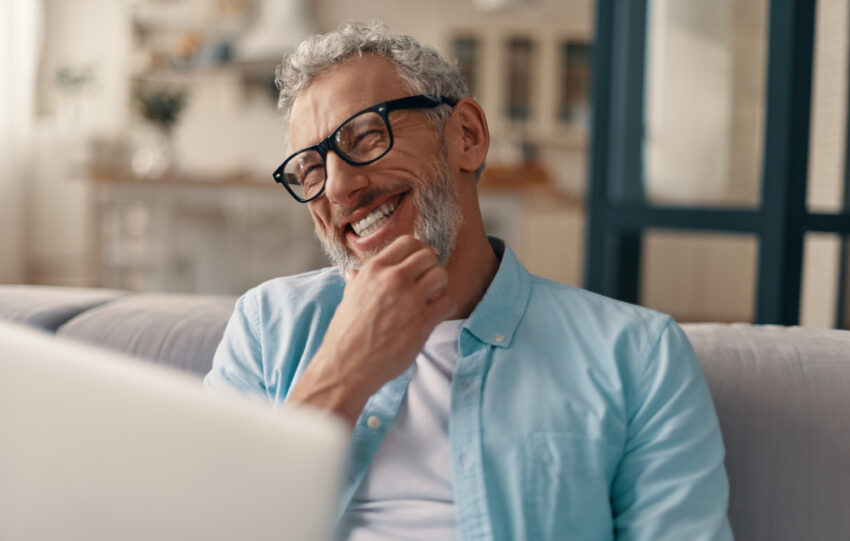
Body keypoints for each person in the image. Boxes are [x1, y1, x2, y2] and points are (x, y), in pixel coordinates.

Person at [205, 22, 732, 541]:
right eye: (311, 170)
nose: (339, 188)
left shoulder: (638, 355)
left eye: (365, 136)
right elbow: (205, 523)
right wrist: (343, 372)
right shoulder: (266, 327)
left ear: (467, 136)